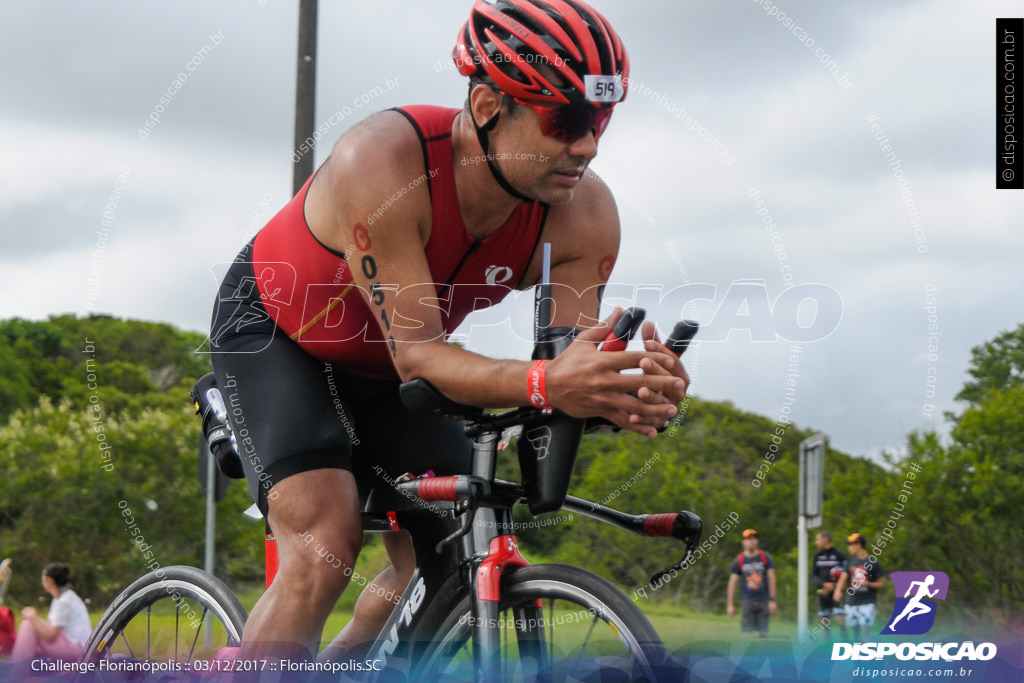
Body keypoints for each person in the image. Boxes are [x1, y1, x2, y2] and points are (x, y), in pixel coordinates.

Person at [209, 0, 689, 662]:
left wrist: (617, 391)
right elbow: (423, 356)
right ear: (490, 104)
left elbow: (559, 377)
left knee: (455, 549)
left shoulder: (585, 216)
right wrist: (551, 380)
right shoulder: (382, 162)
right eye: (567, 120)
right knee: (326, 541)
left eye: (602, 120)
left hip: (390, 367)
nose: (588, 144)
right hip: (277, 335)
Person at [10, 563, 91, 664]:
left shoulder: (64, 601)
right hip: (76, 647)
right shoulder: (62, 598)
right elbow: (47, 630)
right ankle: (18, 666)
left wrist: (33, 617)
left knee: (29, 623)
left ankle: (15, 673)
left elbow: (50, 637)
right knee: (31, 625)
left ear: (49, 580)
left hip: (78, 651)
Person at [833, 533, 886, 641]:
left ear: (859, 545)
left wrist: (868, 584)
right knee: (855, 632)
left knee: (864, 630)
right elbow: (844, 577)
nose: (849, 548)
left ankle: (865, 651)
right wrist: (838, 590)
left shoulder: (873, 562)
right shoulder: (850, 561)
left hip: (867, 602)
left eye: (851, 545)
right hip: (852, 602)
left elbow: (880, 583)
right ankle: (857, 651)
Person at [726, 529, 777, 637]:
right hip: (747, 601)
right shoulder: (739, 560)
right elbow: (733, 583)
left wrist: (772, 600)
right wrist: (730, 604)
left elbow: (771, 578)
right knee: (747, 635)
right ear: (743, 542)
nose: (752, 541)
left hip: (763, 600)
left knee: (763, 634)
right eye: (749, 539)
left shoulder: (765, 557)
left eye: (754, 539)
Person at [811, 530, 846, 639]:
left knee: (839, 614)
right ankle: (827, 640)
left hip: (836, 591)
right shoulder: (817, 555)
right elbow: (813, 574)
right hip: (822, 591)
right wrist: (823, 584)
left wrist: (836, 586)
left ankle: (845, 638)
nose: (816, 542)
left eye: (818, 539)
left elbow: (847, 572)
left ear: (825, 539)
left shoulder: (839, 554)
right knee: (824, 616)